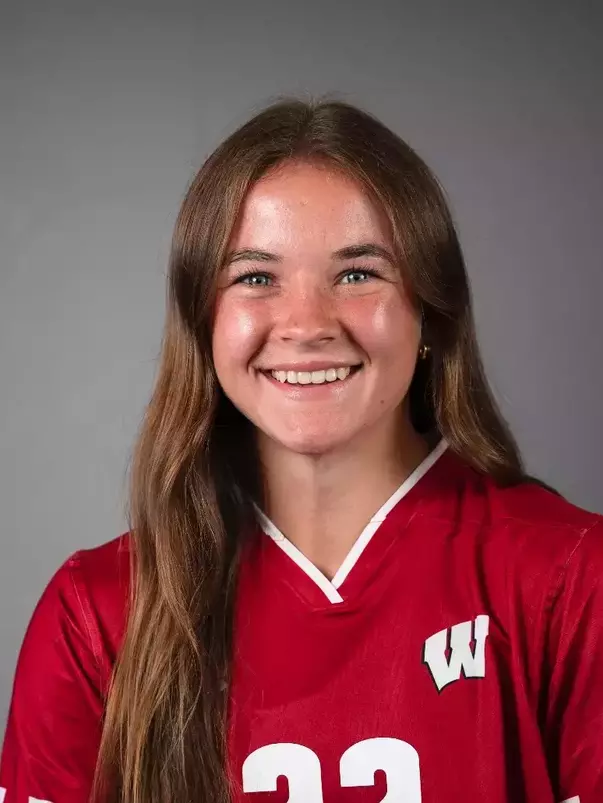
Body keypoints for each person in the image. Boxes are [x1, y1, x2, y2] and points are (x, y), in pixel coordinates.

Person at [1, 97, 602, 803]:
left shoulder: (567, 579)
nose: (306, 323)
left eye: (357, 273)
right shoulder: (97, 614)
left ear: (431, 313)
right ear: (204, 320)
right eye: (255, 277)